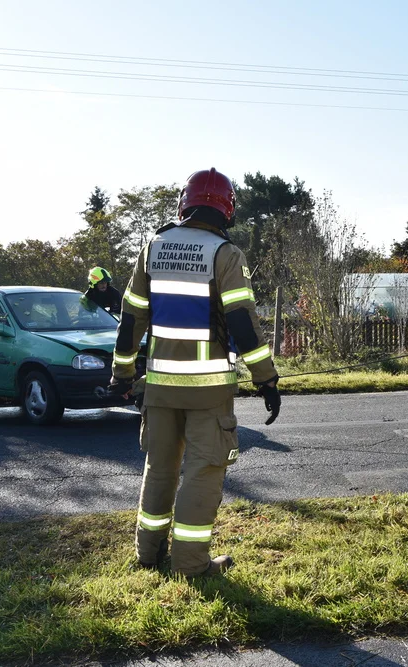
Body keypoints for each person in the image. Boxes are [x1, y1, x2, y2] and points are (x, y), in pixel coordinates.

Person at [110, 167, 282, 578]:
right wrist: (266, 378)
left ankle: (148, 554)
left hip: (160, 387)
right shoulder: (226, 254)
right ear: (228, 209)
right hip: (208, 390)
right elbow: (242, 323)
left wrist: (122, 372)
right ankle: (191, 565)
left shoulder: (153, 247)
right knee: (203, 472)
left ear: (184, 204)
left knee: (160, 469)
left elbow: (131, 316)